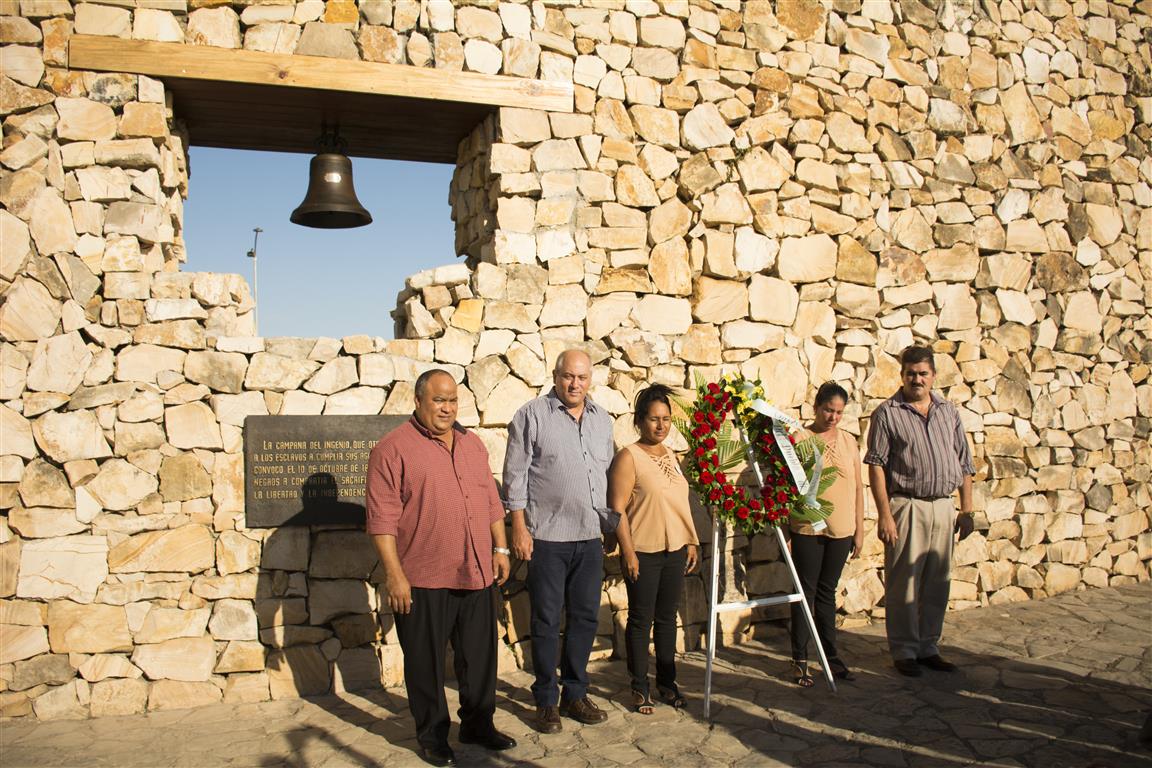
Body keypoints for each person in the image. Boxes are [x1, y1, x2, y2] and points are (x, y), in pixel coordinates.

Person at [366, 369, 516, 767]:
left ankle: (478, 725)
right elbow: (381, 519)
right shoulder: (391, 449)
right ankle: (433, 735)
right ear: (418, 401)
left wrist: (500, 547)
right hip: (422, 576)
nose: (447, 408)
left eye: (452, 400)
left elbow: (490, 501)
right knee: (425, 662)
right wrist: (395, 575)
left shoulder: (472, 444)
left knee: (480, 657)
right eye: (438, 400)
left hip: (477, 570)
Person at [503, 349, 614, 734]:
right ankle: (546, 700)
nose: (575, 384)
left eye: (581, 378)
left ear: (590, 379)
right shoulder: (531, 415)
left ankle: (575, 693)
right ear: (555, 375)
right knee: (547, 621)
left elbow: (605, 478)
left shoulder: (603, 421)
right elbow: (514, 477)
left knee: (584, 618)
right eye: (568, 376)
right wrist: (519, 527)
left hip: (589, 537)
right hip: (546, 539)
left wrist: (611, 525)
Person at [865, 345, 976, 677]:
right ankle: (904, 650)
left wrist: (967, 508)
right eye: (911, 373)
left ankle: (929, 646)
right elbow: (876, 466)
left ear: (933, 376)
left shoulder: (949, 412)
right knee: (904, 583)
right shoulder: (887, 413)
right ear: (902, 375)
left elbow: (964, 462)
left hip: (944, 507)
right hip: (907, 506)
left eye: (923, 373)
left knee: (937, 580)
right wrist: (885, 515)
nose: (917, 379)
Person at [606, 384, 699, 714]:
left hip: (674, 549)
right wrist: (627, 551)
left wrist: (690, 539)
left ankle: (667, 681)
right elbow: (616, 509)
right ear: (639, 421)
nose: (661, 426)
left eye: (666, 419)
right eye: (653, 419)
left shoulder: (671, 456)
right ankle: (639, 685)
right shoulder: (628, 457)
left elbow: (677, 503)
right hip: (643, 551)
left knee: (666, 620)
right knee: (641, 619)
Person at [788, 382, 865, 687]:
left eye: (838, 412)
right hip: (807, 528)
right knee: (804, 593)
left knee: (826, 593)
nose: (832, 417)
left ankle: (830, 657)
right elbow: (788, 488)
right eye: (828, 410)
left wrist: (860, 529)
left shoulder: (848, 441)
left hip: (841, 528)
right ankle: (800, 659)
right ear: (816, 407)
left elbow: (858, 487)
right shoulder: (799, 439)